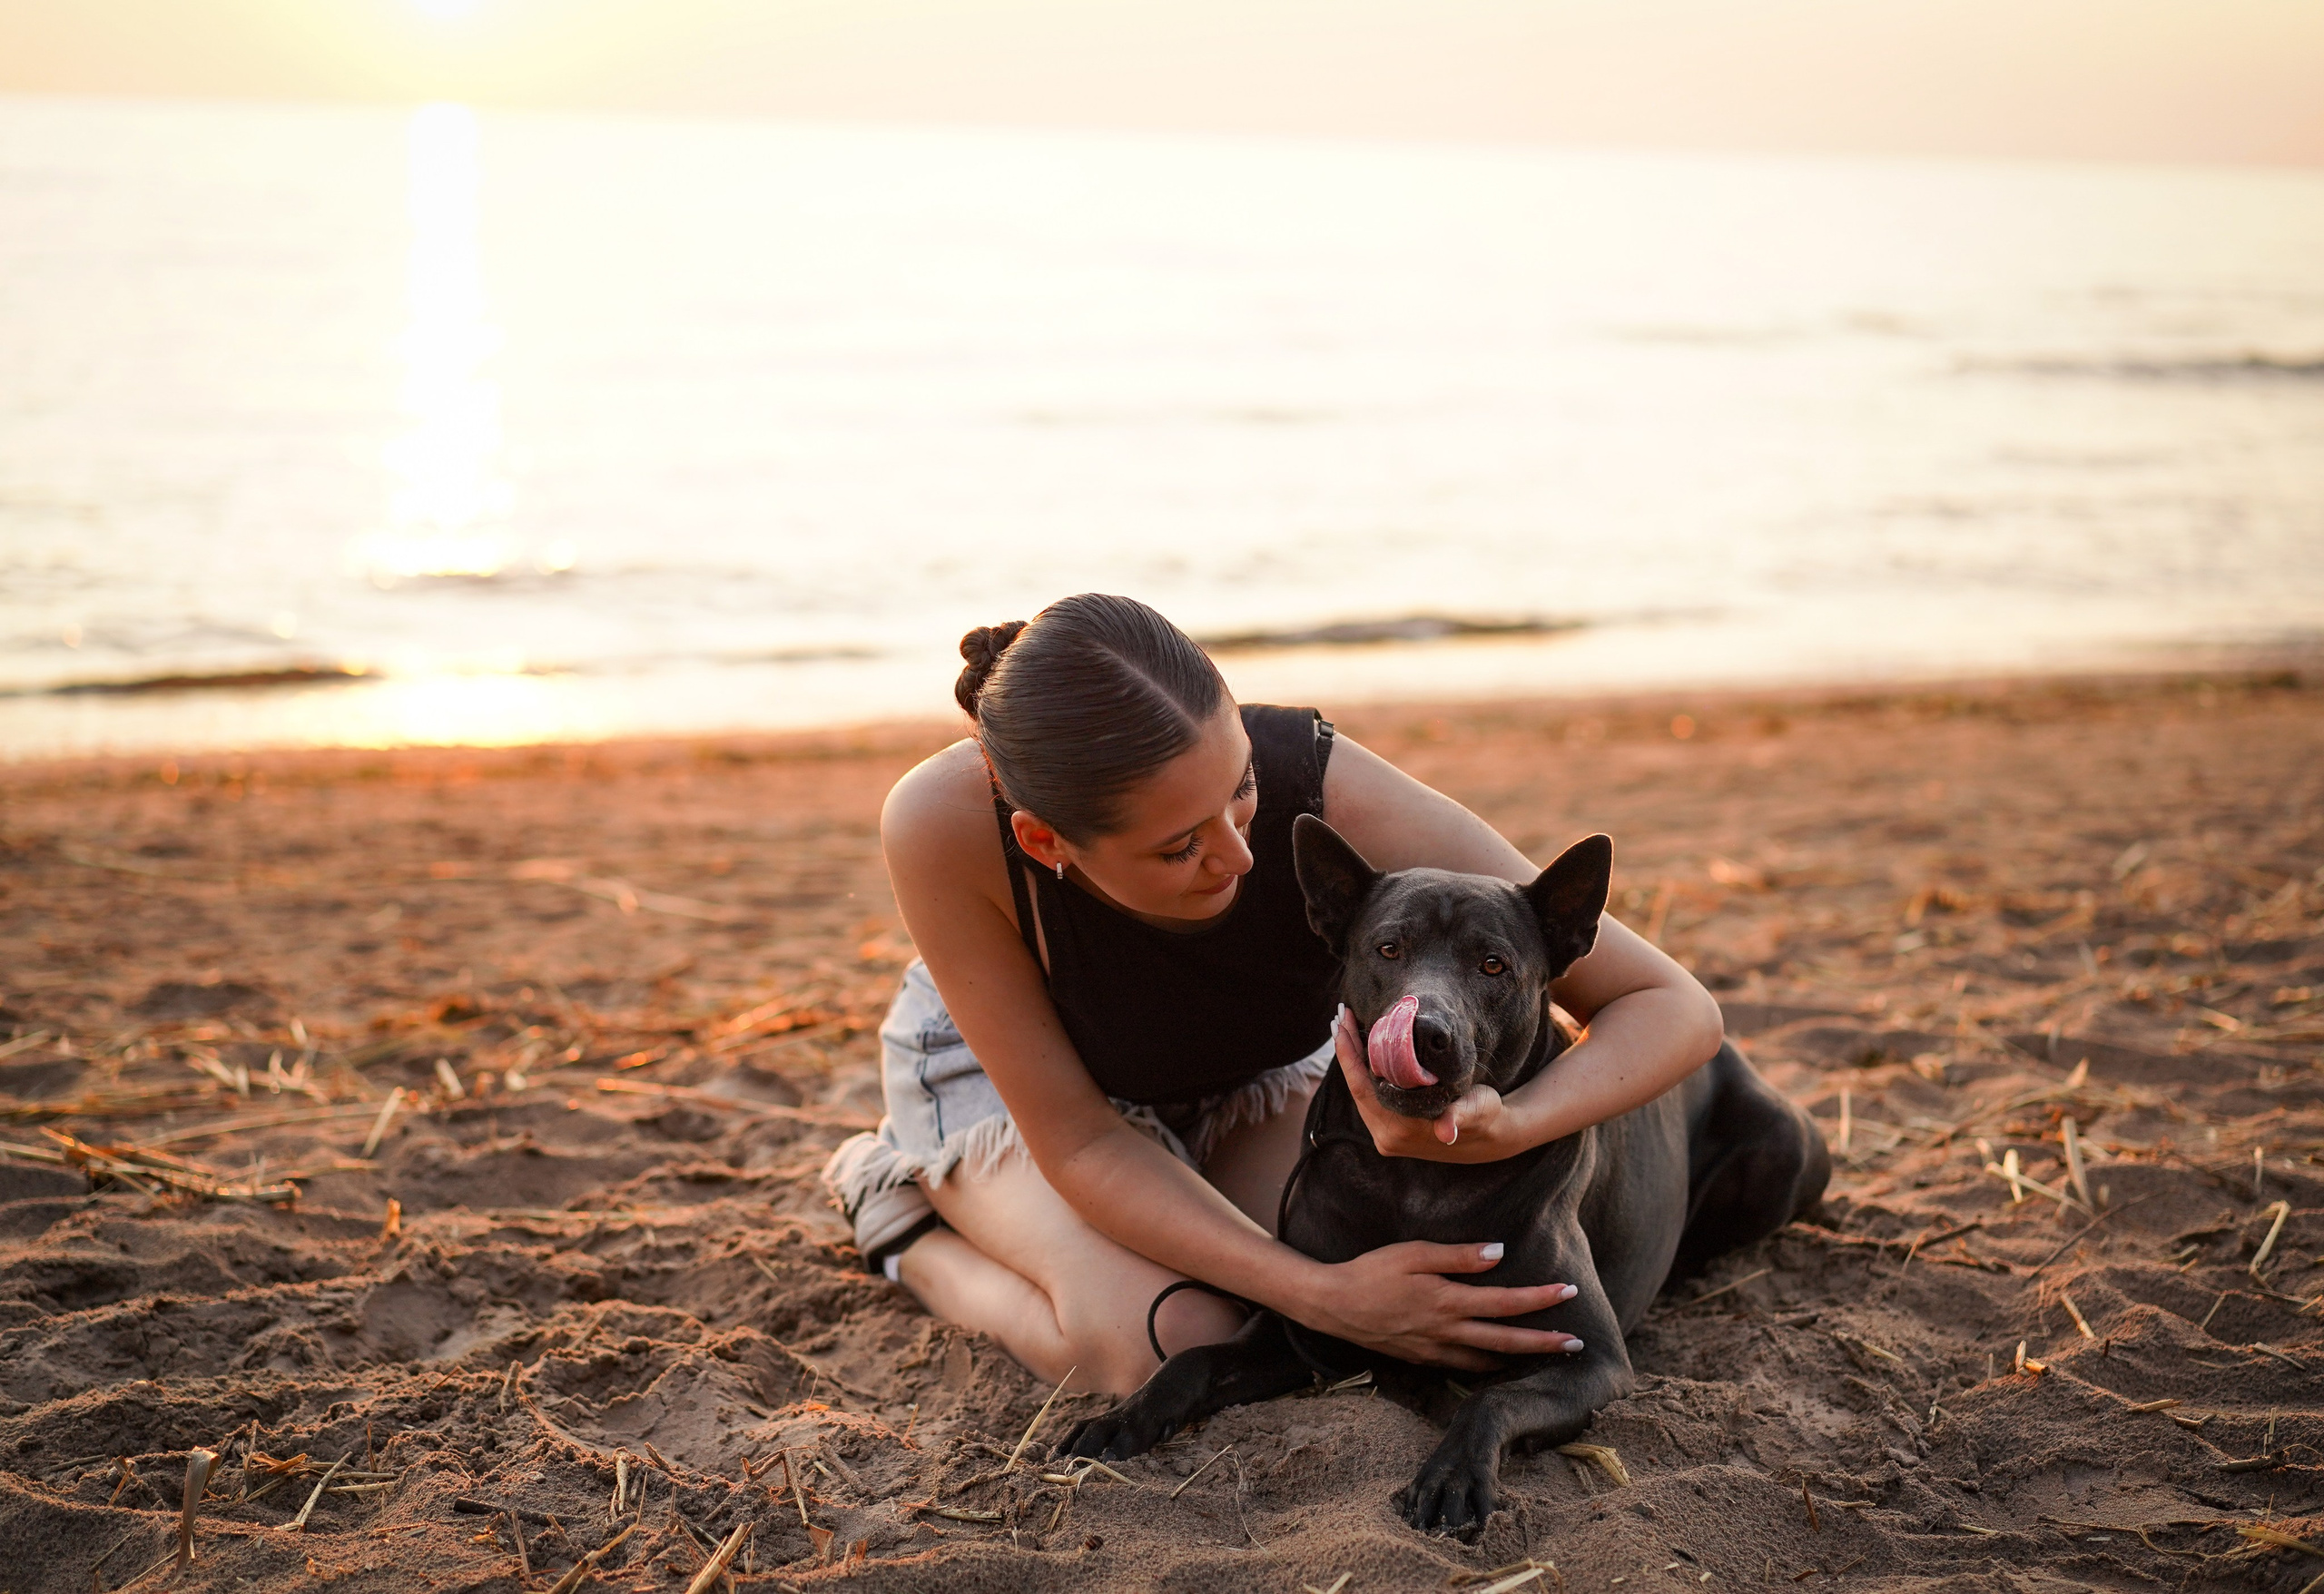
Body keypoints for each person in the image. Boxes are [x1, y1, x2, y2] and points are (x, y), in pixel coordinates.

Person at [822, 594, 1726, 1397]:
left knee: (1364, 1267)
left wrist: (1511, 1123)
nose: (1242, 858)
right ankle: (903, 1228)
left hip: (1245, 1069)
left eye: (1243, 789)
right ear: (1046, 841)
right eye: (1181, 846)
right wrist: (1324, 1298)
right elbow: (1085, 1142)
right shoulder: (941, 822)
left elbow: (1671, 1006)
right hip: (1026, 1093)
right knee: (1173, 1340)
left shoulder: (1325, 780)